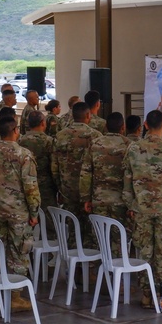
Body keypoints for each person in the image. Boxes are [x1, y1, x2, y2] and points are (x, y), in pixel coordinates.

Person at [123, 110, 162, 312]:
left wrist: (131, 205)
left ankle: (146, 294)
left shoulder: (133, 149)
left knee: (145, 250)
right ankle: (161, 294)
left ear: (146, 126)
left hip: (141, 209)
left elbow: (127, 184)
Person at [0, 117, 40, 312]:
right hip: (18, 214)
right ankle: (14, 296)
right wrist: (34, 212)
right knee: (19, 253)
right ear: (15, 130)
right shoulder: (24, 155)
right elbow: (31, 188)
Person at [51, 102, 102, 237]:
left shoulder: (60, 136)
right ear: (87, 115)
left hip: (67, 188)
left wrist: (59, 187)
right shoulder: (95, 136)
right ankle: (90, 255)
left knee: (73, 226)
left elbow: (54, 166)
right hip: (89, 189)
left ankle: (74, 252)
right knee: (91, 227)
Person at [80, 112, 131, 231]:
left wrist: (86, 198)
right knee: (119, 239)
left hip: (99, 199)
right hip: (121, 201)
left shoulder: (95, 144)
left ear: (106, 127)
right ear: (123, 127)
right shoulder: (129, 145)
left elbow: (86, 173)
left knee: (100, 238)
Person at [18, 111, 56, 213]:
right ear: (43, 123)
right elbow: (54, 166)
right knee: (49, 217)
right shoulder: (49, 141)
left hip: (25, 184)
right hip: (45, 185)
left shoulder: (20, 141)